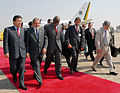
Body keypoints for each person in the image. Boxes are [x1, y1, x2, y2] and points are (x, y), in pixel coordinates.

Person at [3, 15, 27, 90]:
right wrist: (6, 52)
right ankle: (14, 75)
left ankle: (21, 84)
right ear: (14, 22)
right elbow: (5, 42)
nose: (20, 22)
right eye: (18, 21)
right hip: (13, 53)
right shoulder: (8, 30)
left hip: (22, 52)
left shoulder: (23, 30)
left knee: (22, 68)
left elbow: (26, 41)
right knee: (13, 68)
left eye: (20, 21)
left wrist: (27, 51)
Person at [26, 18, 47, 86]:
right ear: (32, 24)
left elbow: (46, 39)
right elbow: (27, 42)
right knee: (37, 65)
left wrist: (45, 47)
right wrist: (27, 52)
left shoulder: (42, 30)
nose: (37, 25)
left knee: (38, 65)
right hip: (33, 52)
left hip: (41, 52)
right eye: (35, 23)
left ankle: (35, 75)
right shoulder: (28, 31)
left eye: (38, 23)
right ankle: (40, 80)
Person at [44, 16, 64, 80]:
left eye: (58, 22)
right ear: (53, 20)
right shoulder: (47, 26)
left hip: (58, 46)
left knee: (59, 60)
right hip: (50, 46)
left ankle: (58, 73)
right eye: (56, 22)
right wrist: (45, 47)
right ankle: (45, 68)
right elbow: (45, 37)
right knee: (48, 59)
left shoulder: (60, 26)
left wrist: (63, 45)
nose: (57, 23)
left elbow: (61, 36)